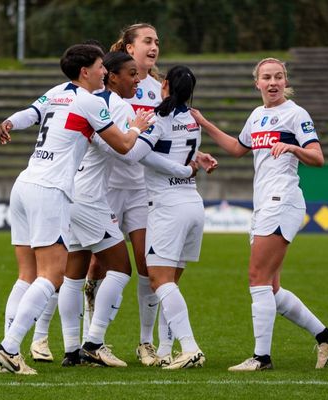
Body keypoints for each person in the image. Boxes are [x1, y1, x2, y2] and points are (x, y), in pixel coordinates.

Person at [0, 43, 153, 375]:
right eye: (99, 67)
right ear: (85, 72)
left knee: (27, 275)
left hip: (24, 184)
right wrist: (138, 126)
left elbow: (28, 115)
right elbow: (123, 145)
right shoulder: (89, 101)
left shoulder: (58, 92)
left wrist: (9, 121)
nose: (104, 72)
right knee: (51, 276)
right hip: (51, 191)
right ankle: (9, 348)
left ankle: (18, 345)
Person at [190, 57, 328, 371]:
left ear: (285, 82)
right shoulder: (257, 115)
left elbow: (317, 157)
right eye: (266, 77)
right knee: (271, 287)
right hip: (264, 205)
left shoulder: (296, 114)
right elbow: (237, 148)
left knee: (257, 278)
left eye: (278, 77)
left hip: (282, 201)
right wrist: (204, 123)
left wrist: (292, 149)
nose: (273, 83)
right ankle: (325, 336)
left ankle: (261, 358)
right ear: (257, 83)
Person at [82, 23, 216, 367]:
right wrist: (185, 163)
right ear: (129, 47)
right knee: (95, 265)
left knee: (148, 267)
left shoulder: (157, 90)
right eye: (147, 41)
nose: (154, 47)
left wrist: (191, 157)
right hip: (108, 188)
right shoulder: (104, 90)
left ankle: (146, 343)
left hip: (145, 191)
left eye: (157, 41)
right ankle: (83, 340)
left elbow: (165, 137)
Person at [58, 51, 195, 368]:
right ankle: (93, 344)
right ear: (112, 76)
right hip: (93, 197)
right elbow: (124, 149)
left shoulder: (88, 100)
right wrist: (135, 129)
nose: (138, 79)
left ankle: (71, 350)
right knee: (121, 269)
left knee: (75, 271)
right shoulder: (116, 105)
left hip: (76, 193)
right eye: (132, 74)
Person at [120, 65, 206, 369]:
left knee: (158, 281)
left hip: (168, 207)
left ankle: (191, 347)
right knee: (170, 284)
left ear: (164, 84)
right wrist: (188, 166)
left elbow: (132, 154)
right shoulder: (193, 120)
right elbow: (183, 155)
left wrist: (133, 128)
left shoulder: (157, 119)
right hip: (193, 203)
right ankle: (167, 349)